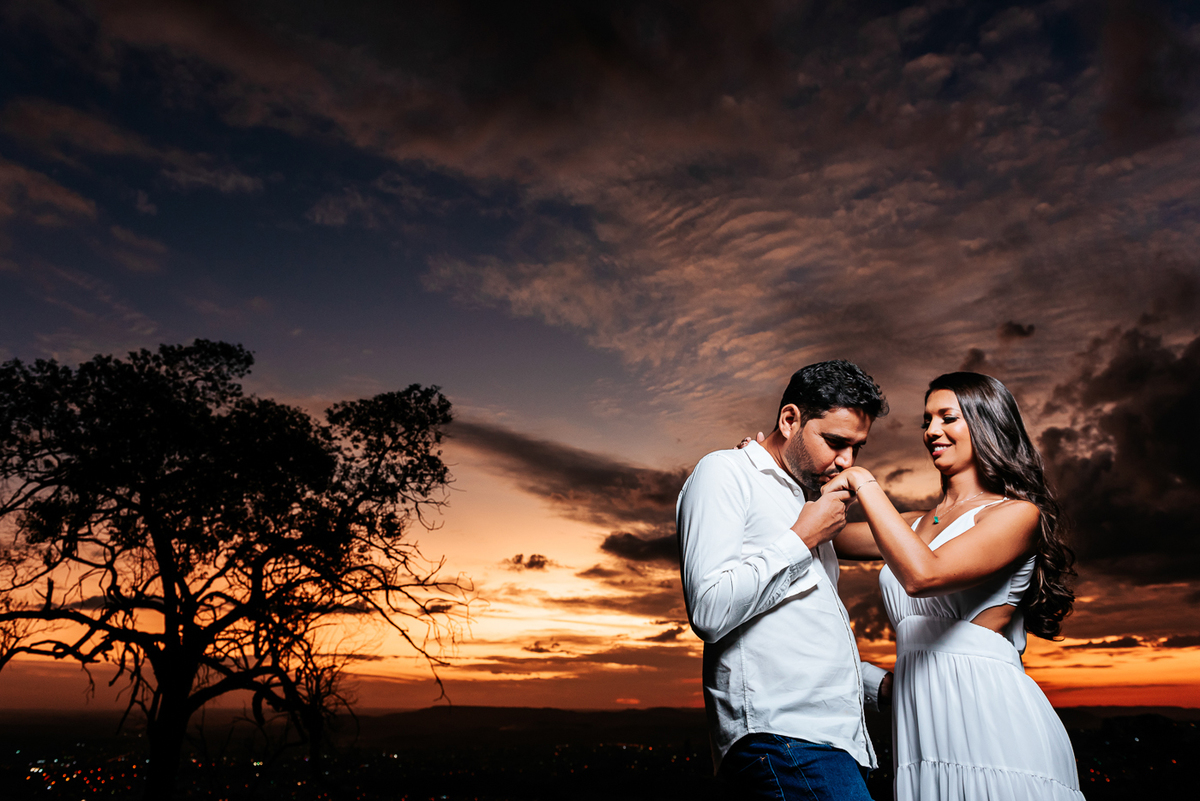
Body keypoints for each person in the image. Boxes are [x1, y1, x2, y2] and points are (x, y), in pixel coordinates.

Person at [824, 372, 1084, 800]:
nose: (931, 432)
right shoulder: (910, 525)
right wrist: (767, 471)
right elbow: (815, 532)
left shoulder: (1017, 515)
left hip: (994, 726)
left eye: (947, 418)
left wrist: (863, 482)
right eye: (926, 421)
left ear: (986, 424)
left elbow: (924, 575)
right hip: (922, 732)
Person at [676, 360, 892, 801]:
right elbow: (709, 609)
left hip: (836, 743)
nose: (846, 462)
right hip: (783, 738)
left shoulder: (805, 501)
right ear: (790, 419)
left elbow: (796, 631)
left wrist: (876, 686)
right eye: (834, 442)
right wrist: (801, 537)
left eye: (857, 448)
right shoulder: (725, 472)